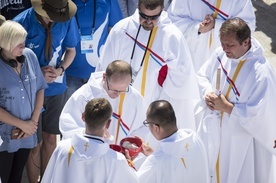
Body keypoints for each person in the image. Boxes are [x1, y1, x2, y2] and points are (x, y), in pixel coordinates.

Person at [97, 0, 199, 131]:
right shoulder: (122, 29)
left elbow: (181, 82)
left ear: (162, 11)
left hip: (151, 105)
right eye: (144, 16)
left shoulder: (172, 36)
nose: (148, 21)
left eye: (154, 18)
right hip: (118, 100)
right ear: (138, 7)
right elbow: (105, 66)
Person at [197, 17, 276, 183]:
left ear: (246, 42)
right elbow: (202, 74)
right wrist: (208, 92)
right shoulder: (221, 53)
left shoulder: (261, 74)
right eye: (223, 43)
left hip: (242, 142)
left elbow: (261, 116)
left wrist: (227, 107)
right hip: (216, 131)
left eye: (230, 45)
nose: (225, 48)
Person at [13, 0, 79, 181]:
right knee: (33, 142)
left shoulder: (66, 19)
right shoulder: (21, 23)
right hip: (30, 93)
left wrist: (60, 70)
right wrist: (36, 73)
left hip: (56, 89)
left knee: (51, 138)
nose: (56, 19)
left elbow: (71, 50)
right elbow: (10, 57)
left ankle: (49, 179)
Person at [41, 98, 138, 182]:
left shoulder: (62, 148)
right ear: (108, 124)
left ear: (83, 117)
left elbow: (48, 179)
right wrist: (129, 163)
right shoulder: (116, 159)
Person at [0, 20, 47, 183]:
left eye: (23, 42)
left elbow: (40, 88)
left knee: (17, 176)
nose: (24, 45)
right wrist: (23, 125)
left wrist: (32, 124)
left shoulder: (29, 56)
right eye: (18, 43)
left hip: (27, 132)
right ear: (6, 43)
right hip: (4, 138)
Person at [60, 60, 147, 145]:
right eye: (114, 90)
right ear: (104, 77)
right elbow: (68, 124)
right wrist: (93, 132)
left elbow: (141, 127)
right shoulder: (85, 95)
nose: (117, 94)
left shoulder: (135, 97)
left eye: (122, 90)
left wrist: (129, 143)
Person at [129, 100, 209, 182]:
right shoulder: (195, 138)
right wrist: (153, 154)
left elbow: (135, 181)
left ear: (156, 128)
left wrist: (128, 162)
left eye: (148, 123)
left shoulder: (156, 161)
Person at [167, 0, 256, 72]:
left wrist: (216, 25)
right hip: (190, 59)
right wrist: (198, 28)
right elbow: (172, 21)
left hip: (222, 62)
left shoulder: (241, 2)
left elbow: (247, 29)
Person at [64, 0, 123, 100]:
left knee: (97, 114)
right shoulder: (65, 2)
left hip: (99, 73)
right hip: (70, 71)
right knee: (72, 113)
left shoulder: (108, 1)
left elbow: (116, 33)